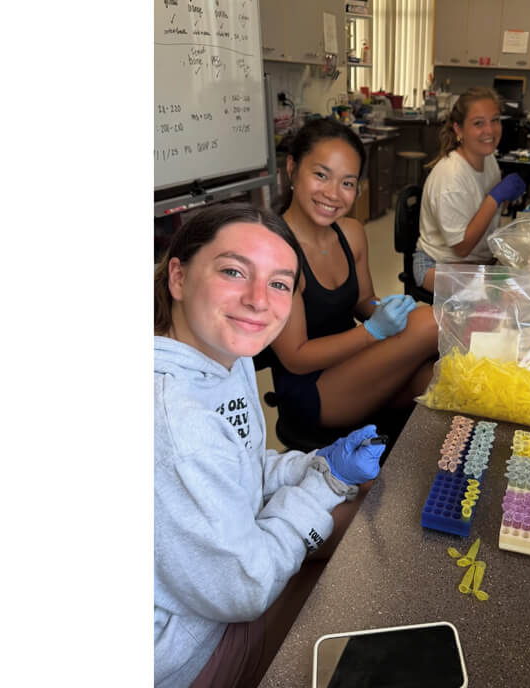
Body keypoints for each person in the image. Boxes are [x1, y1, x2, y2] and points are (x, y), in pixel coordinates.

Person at [154, 204, 387, 688]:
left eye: (279, 283)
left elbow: (241, 463)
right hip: (184, 654)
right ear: (178, 276)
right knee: (361, 560)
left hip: (218, 576)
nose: (258, 300)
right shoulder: (177, 425)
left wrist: (316, 465)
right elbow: (246, 587)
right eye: (234, 272)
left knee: (360, 503)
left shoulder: (226, 354)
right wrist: (328, 484)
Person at [263, 118, 439, 433]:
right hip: (311, 391)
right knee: (431, 322)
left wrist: (386, 311)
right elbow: (296, 358)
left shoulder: (351, 233)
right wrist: (372, 332)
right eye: (321, 175)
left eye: (347, 183)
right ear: (291, 168)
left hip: (354, 362)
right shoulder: (275, 251)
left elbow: (362, 300)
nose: (333, 194)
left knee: (441, 379)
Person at [413, 86, 528, 293]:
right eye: (478, 123)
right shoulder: (450, 177)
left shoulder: (488, 159)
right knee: (507, 296)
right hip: (438, 265)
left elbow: (486, 219)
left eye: (495, 120)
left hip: (476, 261)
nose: (490, 130)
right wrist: (494, 198)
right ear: (459, 129)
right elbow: (462, 248)